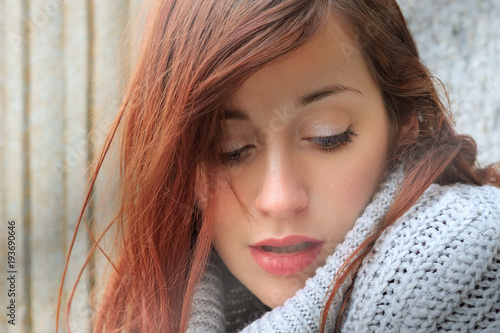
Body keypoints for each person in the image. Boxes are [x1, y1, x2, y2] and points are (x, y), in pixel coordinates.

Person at [58, 0, 500, 332]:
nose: (279, 198)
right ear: (182, 164)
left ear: (404, 125)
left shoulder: (472, 265)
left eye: (328, 136)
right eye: (229, 149)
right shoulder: (162, 308)